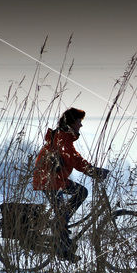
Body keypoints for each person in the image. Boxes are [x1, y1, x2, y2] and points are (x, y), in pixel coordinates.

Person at [32, 107, 108, 262]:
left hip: (56, 179)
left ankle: (59, 224)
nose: (81, 125)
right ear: (72, 122)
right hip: (49, 180)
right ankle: (62, 247)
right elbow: (73, 159)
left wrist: (92, 170)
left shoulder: (64, 136)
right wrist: (93, 171)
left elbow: (74, 157)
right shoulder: (62, 137)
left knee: (81, 192)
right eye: (79, 122)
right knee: (62, 214)